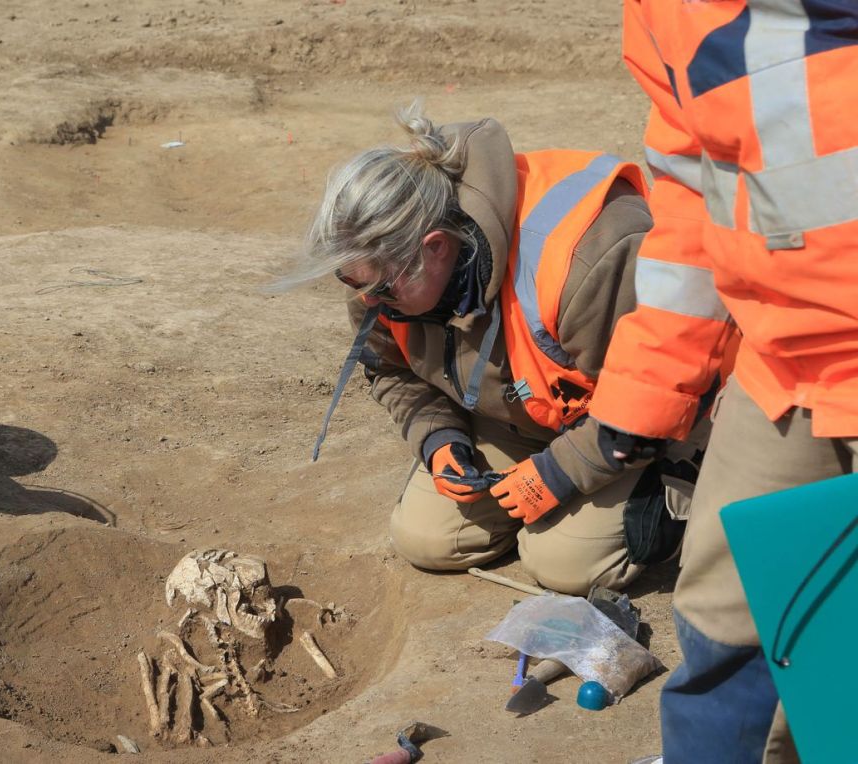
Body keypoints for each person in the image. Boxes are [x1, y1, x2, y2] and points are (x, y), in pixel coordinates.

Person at [294, 103, 708, 597]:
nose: (367, 301)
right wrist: (439, 439)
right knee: (429, 539)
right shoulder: (375, 268)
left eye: (379, 290)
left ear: (436, 247)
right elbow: (390, 371)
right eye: (352, 282)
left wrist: (558, 473)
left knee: (563, 564)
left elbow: (653, 396)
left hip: (632, 420)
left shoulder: (586, 258)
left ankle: (687, 488)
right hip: (523, 410)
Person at [590, 2, 858, 762]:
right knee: (724, 607)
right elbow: (691, 193)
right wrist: (650, 385)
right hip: (784, 360)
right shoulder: (664, 10)